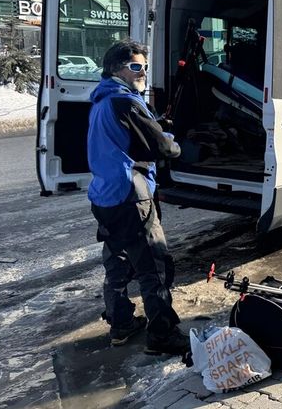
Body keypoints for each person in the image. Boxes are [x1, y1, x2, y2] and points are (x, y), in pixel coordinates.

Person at [87, 39, 189, 355]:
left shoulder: (102, 100)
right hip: (132, 195)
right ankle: (161, 335)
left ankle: (121, 325)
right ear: (116, 68)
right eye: (136, 66)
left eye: (144, 66)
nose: (142, 71)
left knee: (117, 261)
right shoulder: (125, 101)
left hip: (104, 196)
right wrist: (171, 138)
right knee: (154, 266)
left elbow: (129, 137)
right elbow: (163, 148)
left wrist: (155, 126)